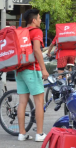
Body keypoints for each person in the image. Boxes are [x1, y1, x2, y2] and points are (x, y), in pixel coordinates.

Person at [16, 9, 49, 141]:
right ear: (34, 20)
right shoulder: (36, 32)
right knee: (39, 102)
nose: (41, 20)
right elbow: (36, 50)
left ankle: (22, 133)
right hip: (32, 69)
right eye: (39, 18)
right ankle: (39, 134)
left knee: (22, 103)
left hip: (19, 70)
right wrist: (44, 69)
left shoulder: (21, 32)